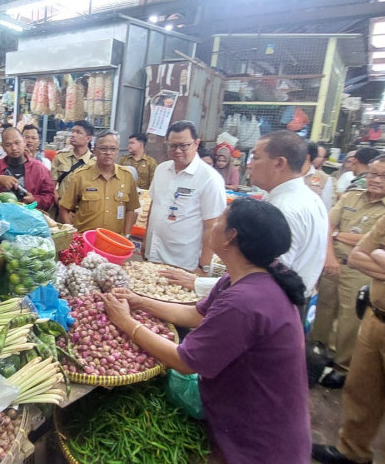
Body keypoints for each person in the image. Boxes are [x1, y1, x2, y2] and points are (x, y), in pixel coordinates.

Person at [104, 198, 311, 463]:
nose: (212, 224)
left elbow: (184, 361)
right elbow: (195, 315)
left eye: (221, 218)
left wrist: (126, 323)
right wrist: (138, 301)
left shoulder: (245, 301)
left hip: (261, 439)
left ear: (231, 237)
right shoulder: (241, 278)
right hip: (246, 414)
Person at [161, 131, 328, 306]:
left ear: (279, 163)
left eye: (255, 158)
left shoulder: (284, 210)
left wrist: (198, 283)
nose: (249, 165)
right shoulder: (308, 198)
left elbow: (265, 279)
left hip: (272, 305)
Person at [312, 212, 385, 464]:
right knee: (361, 390)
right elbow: (356, 256)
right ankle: (352, 452)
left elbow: (368, 255)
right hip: (375, 318)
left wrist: (378, 256)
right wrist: (376, 257)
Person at [311, 154, 385, 389]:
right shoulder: (352, 196)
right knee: (322, 312)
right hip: (332, 263)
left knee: (350, 320)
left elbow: (368, 241)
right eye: (373, 174)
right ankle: (317, 357)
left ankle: (343, 367)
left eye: (383, 176)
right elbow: (327, 225)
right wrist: (330, 256)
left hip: (360, 270)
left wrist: (337, 234)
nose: (376, 180)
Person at [145, 120, 226, 273]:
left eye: (183, 145)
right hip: (154, 256)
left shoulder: (209, 179)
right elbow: (154, 206)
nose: (177, 150)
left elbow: (213, 227)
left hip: (183, 264)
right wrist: (145, 243)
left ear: (196, 144)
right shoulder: (161, 170)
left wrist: (203, 266)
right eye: (172, 146)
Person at [59, 130, 140, 235]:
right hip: (85, 241)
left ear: (118, 151)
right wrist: (73, 235)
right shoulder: (80, 176)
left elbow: (130, 209)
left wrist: (126, 235)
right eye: (103, 149)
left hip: (114, 241)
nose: (108, 153)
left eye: (113, 149)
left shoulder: (127, 176)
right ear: (94, 150)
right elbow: (64, 208)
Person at [0, 128, 55, 210]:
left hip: (30, 217)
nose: (14, 148)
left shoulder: (40, 169)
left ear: (24, 142)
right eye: (8, 145)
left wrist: (34, 200)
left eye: (17, 143)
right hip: (1, 217)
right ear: (2, 146)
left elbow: (50, 197)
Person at [51, 120, 96, 193]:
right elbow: (52, 186)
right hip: (60, 202)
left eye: (78, 132)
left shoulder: (94, 162)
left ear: (88, 139)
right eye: (73, 131)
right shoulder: (60, 157)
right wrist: (58, 201)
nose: (73, 135)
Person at [305, 142, 334, 210]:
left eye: (318, 156)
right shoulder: (292, 173)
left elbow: (326, 206)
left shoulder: (325, 179)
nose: (315, 158)